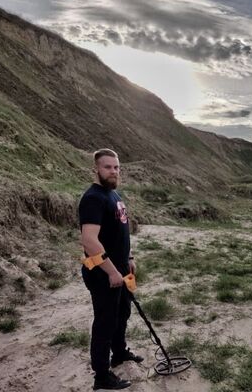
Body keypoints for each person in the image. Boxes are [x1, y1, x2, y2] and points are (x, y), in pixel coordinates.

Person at [79, 148, 143, 390]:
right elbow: (89, 240)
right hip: (102, 273)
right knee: (105, 322)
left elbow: (120, 232)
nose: (113, 171)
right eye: (108, 167)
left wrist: (129, 257)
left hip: (121, 268)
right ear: (96, 169)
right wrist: (112, 272)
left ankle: (119, 352)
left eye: (116, 167)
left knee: (122, 313)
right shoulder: (93, 198)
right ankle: (102, 376)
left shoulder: (113, 194)